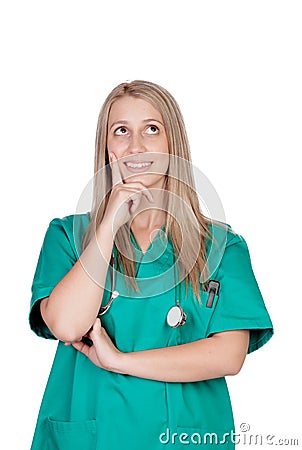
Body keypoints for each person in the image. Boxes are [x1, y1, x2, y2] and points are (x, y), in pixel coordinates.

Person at [29, 80, 273, 450]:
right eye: (121, 131)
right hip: (94, 436)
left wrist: (118, 361)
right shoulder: (68, 236)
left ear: (172, 144)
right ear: (107, 147)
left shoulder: (222, 247)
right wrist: (109, 224)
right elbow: (66, 324)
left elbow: (228, 355)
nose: (136, 146)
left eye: (151, 130)